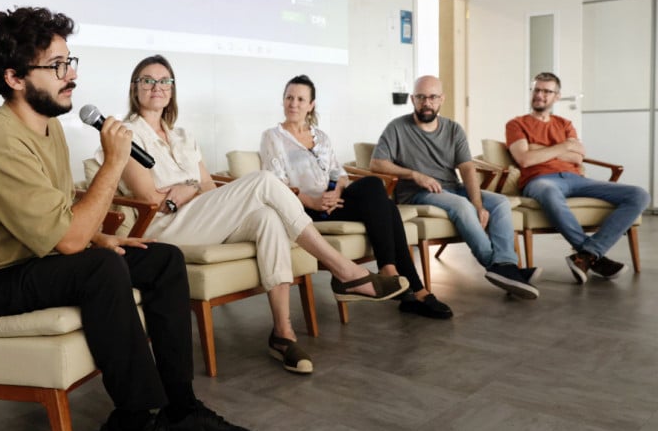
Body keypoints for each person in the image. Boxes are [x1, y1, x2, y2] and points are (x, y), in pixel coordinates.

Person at [0, 7, 260, 431]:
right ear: (14, 77)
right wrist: (114, 163)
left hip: (36, 257)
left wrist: (99, 234)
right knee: (99, 268)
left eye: (70, 62)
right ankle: (132, 424)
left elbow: (57, 215)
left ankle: (181, 408)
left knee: (162, 259)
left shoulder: (46, 125)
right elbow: (68, 240)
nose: (70, 75)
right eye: (56, 66)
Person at [94, 55, 407, 375]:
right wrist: (191, 189)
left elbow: (206, 186)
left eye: (164, 81)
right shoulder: (124, 134)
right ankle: (343, 271)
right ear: (135, 88)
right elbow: (151, 198)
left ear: (172, 89)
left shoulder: (183, 136)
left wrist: (189, 188)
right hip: (164, 227)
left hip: (201, 218)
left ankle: (282, 333)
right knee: (264, 180)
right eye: (147, 80)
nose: (157, 87)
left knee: (268, 218)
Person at [259, 74, 453, 319]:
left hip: (332, 202)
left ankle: (395, 278)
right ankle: (413, 287)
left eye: (300, 99)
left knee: (375, 188)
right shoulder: (273, 137)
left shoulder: (321, 137)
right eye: (289, 98)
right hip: (302, 209)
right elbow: (277, 185)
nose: (293, 104)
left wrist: (336, 192)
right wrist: (313, 201)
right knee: (387, 206)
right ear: (283, 101)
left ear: (311, 105)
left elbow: (338, 174)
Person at [369, 75, 541, 299]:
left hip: (452, 186)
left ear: (442, 99)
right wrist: (414, 175)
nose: (427, 103)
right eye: (421, 97)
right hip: (417, 193)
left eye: (432, 97)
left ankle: (506, 264)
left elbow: (467, 168)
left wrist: (478, 204)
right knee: (461, 205)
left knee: (500, 202)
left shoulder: (453, 129)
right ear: (412, 99)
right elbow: (376, 163)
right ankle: (497, 266)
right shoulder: (397, 128)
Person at [506, 72, 650, 282]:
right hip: (540, 180)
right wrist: (564, 146)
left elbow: (578, 156)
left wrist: (539, 149)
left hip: (576, 179)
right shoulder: (516, 124)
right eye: (536, 90)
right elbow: (525, 159)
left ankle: (587, 254)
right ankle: (593, 257)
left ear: (557, 96)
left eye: (546, 91)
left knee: (639, 195)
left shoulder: (565, 123)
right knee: (549, 192)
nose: (539, 95)